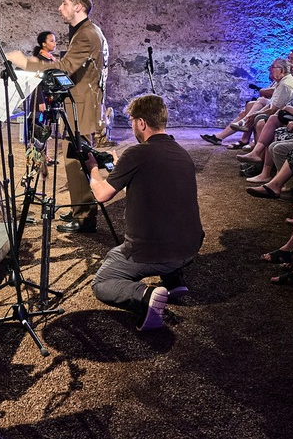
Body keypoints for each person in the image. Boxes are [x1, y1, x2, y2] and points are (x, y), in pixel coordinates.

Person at [86, 95, 204, 331]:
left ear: (141, 123)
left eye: (131, 121)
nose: (132, 126)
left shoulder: (136, 154)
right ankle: (174, 279)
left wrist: (92, 169)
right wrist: (123, 164)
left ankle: (145, 296)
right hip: (190, 247)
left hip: (153, 252)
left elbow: (102, 194)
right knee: (169, 215)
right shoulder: (183, 153)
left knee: (103, 280)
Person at [7, 0, 109, 233]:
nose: (59, 8)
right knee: (76, 156)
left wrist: (25, 62)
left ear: (78, 7)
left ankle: (85, 215)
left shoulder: (86, 34)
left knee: (77, 159)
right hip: (84, 103)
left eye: (64, 3)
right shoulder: (89, 31)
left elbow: (63, 67)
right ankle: (79, 208)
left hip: (82, 106)